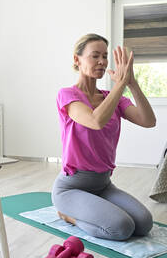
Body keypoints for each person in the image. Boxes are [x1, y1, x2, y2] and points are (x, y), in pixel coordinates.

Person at [52, 33, 156, 241]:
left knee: (144, 223)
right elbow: (95, 121)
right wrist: (120, 85)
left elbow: (148, 121)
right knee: (121, 228)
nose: (102, 62)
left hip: (103, 185)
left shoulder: (112, 97)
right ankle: (68, 215)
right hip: (72, 187)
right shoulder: (68, 95)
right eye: (95, 56)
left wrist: (132, 83)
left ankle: (94, 208)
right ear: (77, 59)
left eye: (105, 56)